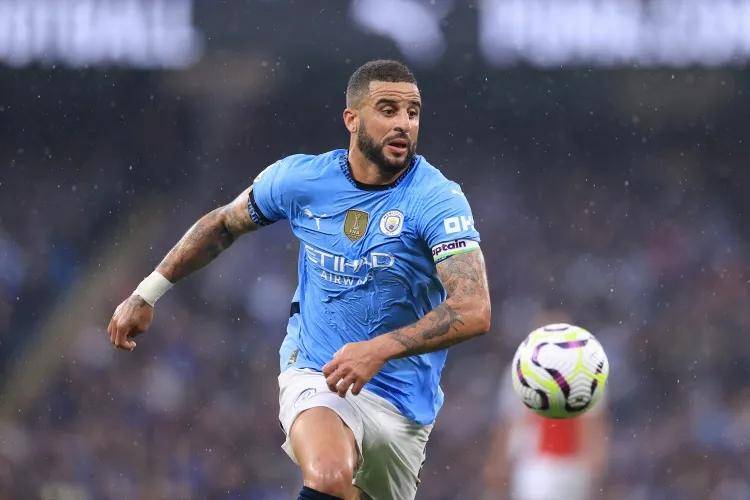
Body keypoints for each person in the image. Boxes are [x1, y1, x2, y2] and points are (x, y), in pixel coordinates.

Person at [107, 59, 491, 500]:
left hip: (402, 405)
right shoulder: (302, 179)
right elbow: (223, 224)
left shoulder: (437, 199)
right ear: (352, 119)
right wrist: (146, 293)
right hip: (316, 371)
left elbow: (473, 308)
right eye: (388, 110)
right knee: (328, 475)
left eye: (413, 112)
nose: (403, 123)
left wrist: (379, 349)